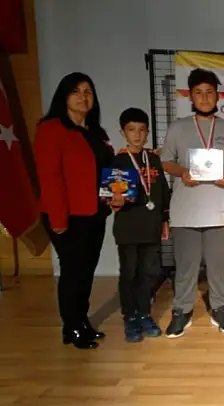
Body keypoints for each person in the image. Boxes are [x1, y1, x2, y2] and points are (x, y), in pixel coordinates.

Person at [160, 68, 224, 338]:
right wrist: (182, 172)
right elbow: (166, 161)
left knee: (218, 266)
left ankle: (220, 308)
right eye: (198, 93)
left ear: (218, 96)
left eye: (209, 92)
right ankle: (181, 311)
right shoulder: (178, 128)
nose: (204, 97)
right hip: (186, 210)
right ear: (191, 97)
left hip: (220, 210)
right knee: (186, 266)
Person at [34, 72, 115, 349]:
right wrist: (58, 218)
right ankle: (72, 326)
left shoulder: (96, 133)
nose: (83, 97)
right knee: (73, 272)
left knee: (87, 270)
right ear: (64, 96)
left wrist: (115, 196)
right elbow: (50, 177)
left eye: (88, 92)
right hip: (67, 215)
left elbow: (107, 174)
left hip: (95, 213)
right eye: (76, 91)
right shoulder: (51, 129)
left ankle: (80, 322)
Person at [107, 108, 170, 343]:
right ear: (123, 132)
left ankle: (144, 313)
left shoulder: (153, 159)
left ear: (148, 132)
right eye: (131, 130)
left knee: (149, 274)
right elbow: (108, 194)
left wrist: (164, 220)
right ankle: (130, 316)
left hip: (151, 227)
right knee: (129, 274)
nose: (137, 135)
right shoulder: (117, 161)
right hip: (127, 228)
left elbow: (163, 191)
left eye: (142, 130)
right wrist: (112, 200)